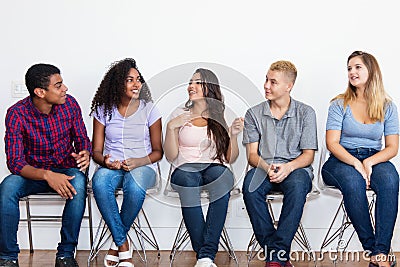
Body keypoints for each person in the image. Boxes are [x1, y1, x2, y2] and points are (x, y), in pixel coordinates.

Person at [0, 63, 91, 267]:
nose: (65, 88)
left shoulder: (70, 105)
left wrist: (85, 152)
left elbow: (82, 139)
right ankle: (7, 258)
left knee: (78, 183)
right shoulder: (16, 114)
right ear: (40, 92)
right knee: (7, 187)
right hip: (33, 174)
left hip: (65, 169)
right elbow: (14, 162)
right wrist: (47, 175)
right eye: (58, 85)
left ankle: (65, 255)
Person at [322, 51, 399, 267]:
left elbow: (392, 147)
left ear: (371, 70)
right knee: (353, 182)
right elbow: (332, 143)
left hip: (374, 158)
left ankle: (380, 253)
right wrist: (356, 163)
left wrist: (369, 162)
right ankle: (372, 249)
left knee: (391, 180)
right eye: (349, 68)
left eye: (357, 67)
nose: (352, 72)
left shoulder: (387, 106)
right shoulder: (339, 104)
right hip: (341, 159)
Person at [164, 68, 243, 267]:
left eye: (198, 82)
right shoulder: (178, 114)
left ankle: (204, 257)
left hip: (214, 166)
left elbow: (229, 158)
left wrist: (232, 134)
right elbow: (171, 155)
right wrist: (171, 128)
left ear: (210, 87)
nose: (192, 86)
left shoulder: (219, 115)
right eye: (191, 82)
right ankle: (206, 255)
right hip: (185, 168)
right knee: (188, 183)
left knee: (222, 181)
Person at [242, 60, 318, 267]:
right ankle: (277, 254)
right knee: (250, 187)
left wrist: (288, 167)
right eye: (266, 79)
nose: (266, 85)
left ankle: (274, 256)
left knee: (298, 185)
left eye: (273, 82)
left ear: (288, 86)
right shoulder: (253, 114)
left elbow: (308, 155)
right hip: (263, 166)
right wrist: (268, 168)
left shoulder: (306, 113)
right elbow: (252, 155)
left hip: (295, 168)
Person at [90, 58, 163, 267]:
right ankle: (123, 245)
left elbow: (158, 152)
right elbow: (96, 151)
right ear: (117, 84)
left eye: (138, 79)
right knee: (100, 183)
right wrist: (105, 161)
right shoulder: (103, 110)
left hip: (143, 166)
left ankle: (116, 245)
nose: (136, 84)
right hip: (112, 166)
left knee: (135, 185)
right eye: (130, 80)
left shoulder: (150, 109)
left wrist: (138, 161)